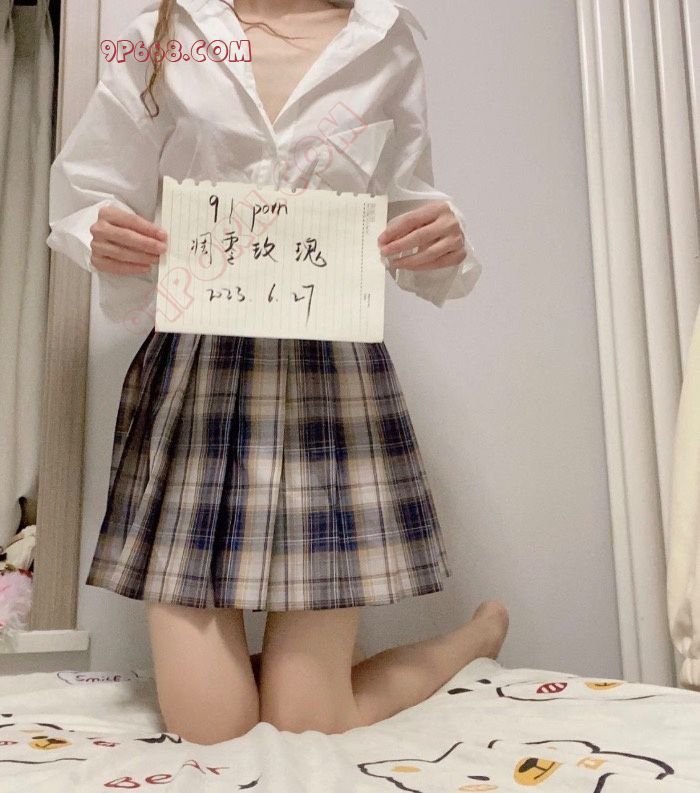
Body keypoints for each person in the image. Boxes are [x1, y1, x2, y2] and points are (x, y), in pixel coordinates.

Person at [47, 0, 509, 745]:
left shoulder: (385, 40)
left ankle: (475, 636)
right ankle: (275, 677)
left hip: (331, 375)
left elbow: (409, 203)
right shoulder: (163, 36)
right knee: (212, 731)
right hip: (197, 366)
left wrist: (442, 241)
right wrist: (96, 229)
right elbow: (87, 187)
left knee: (307, 724)